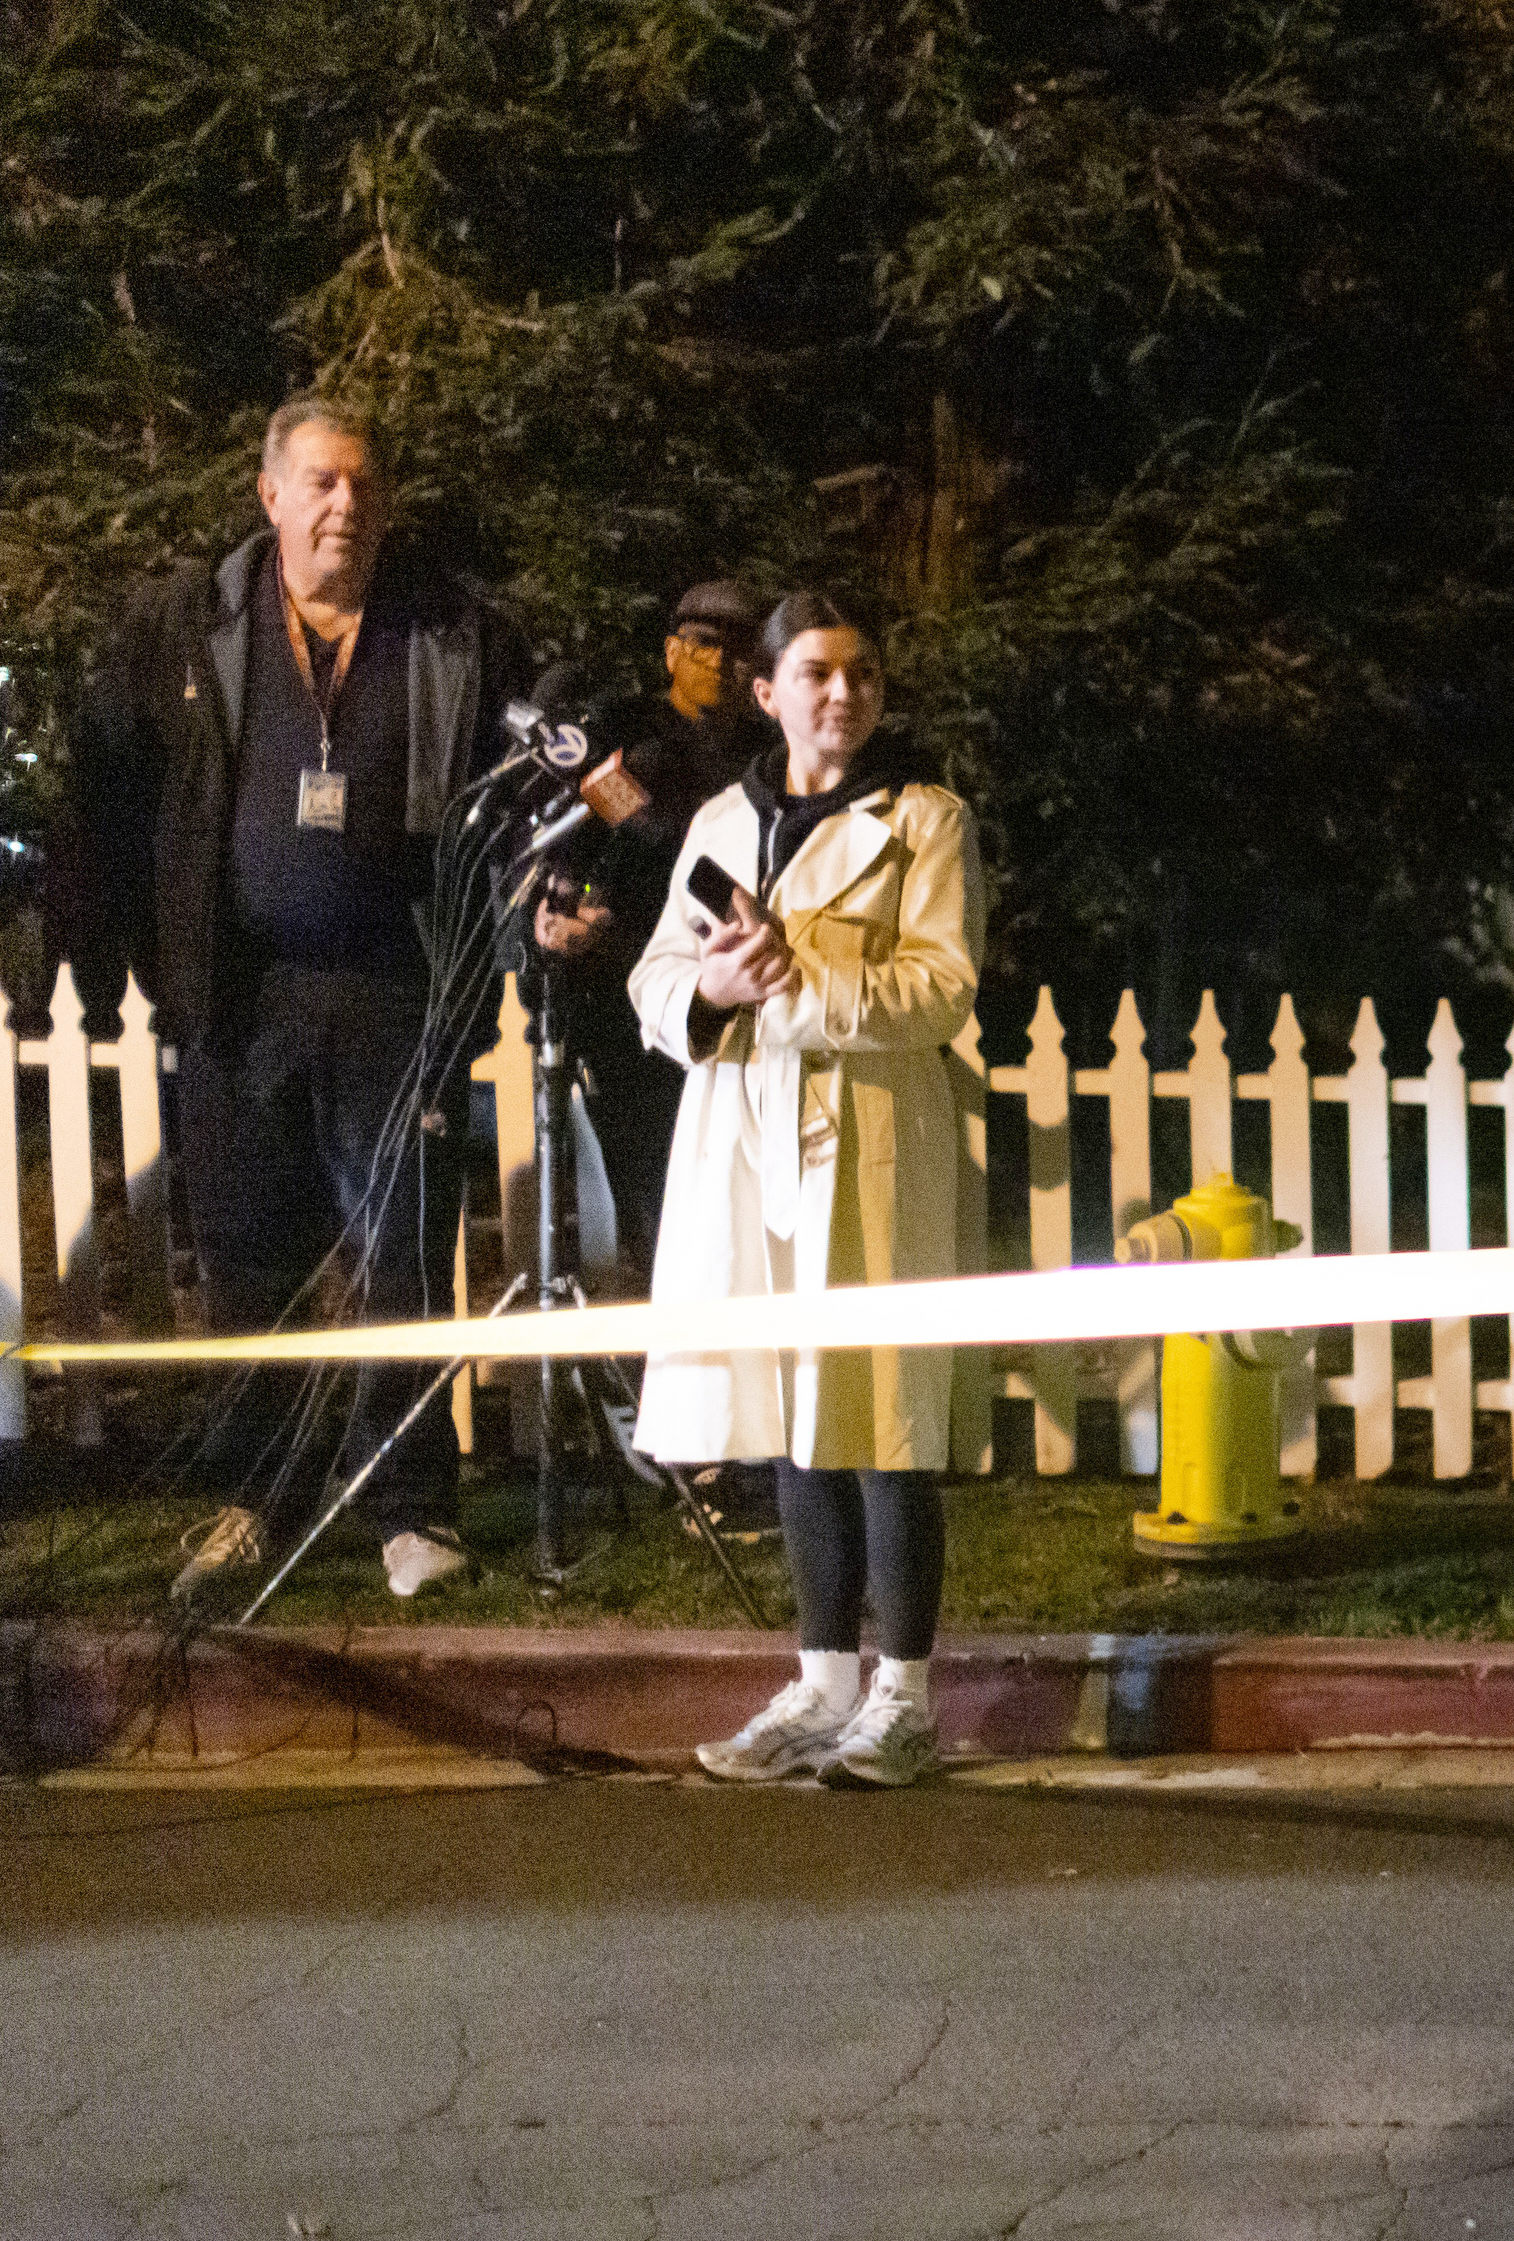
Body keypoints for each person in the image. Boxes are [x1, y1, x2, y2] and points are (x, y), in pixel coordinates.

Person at [61, 396, 528, 1600]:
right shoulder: (187, 621)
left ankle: (411, 1509)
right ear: (269, 495)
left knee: (401, 1259)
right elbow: (109, 788)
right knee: (244, 1259)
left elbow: (509, 799)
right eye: (321, 482)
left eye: (364, 485)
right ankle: (248, 1501)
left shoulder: (448, 632)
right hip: (237, 993)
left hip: (394, 987)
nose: (346, 506)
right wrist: (114, 945)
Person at [630, 593, 983, 1787]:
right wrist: (716, 989)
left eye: (865, 673)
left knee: (881, 1408)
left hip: (870, 1125)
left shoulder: (922, 820)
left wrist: (801, 976)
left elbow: (940, 987)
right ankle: (825, 1674)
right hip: (746, 1124)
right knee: (792, 1408)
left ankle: (907, 1691)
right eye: (819, 673)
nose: (845, 693)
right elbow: (656, 975)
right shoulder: (724, 820)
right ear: (768, 691)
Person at [529, 579, 773, 1269]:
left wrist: (649, 823)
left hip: (741, 1007)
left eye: (739, 651)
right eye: (703, 647)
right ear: (671, 652)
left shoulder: (769, 758)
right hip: (633, 1006)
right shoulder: (626, 732)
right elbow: (581, 827)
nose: (721, 664)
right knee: (653, 1210)